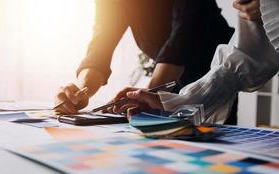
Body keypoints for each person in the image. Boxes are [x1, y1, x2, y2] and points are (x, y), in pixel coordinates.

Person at [54, 0, 236, 122]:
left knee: (210, 145)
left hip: (214, 73)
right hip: (169, 75)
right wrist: (80, 91)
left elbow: (185, 31)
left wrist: (146, 96)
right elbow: (101, 43)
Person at [110, 0, 279, 123]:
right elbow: (244, 58)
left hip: (199, 62)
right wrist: (176, 103)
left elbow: (185, 29)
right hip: (193, 79)